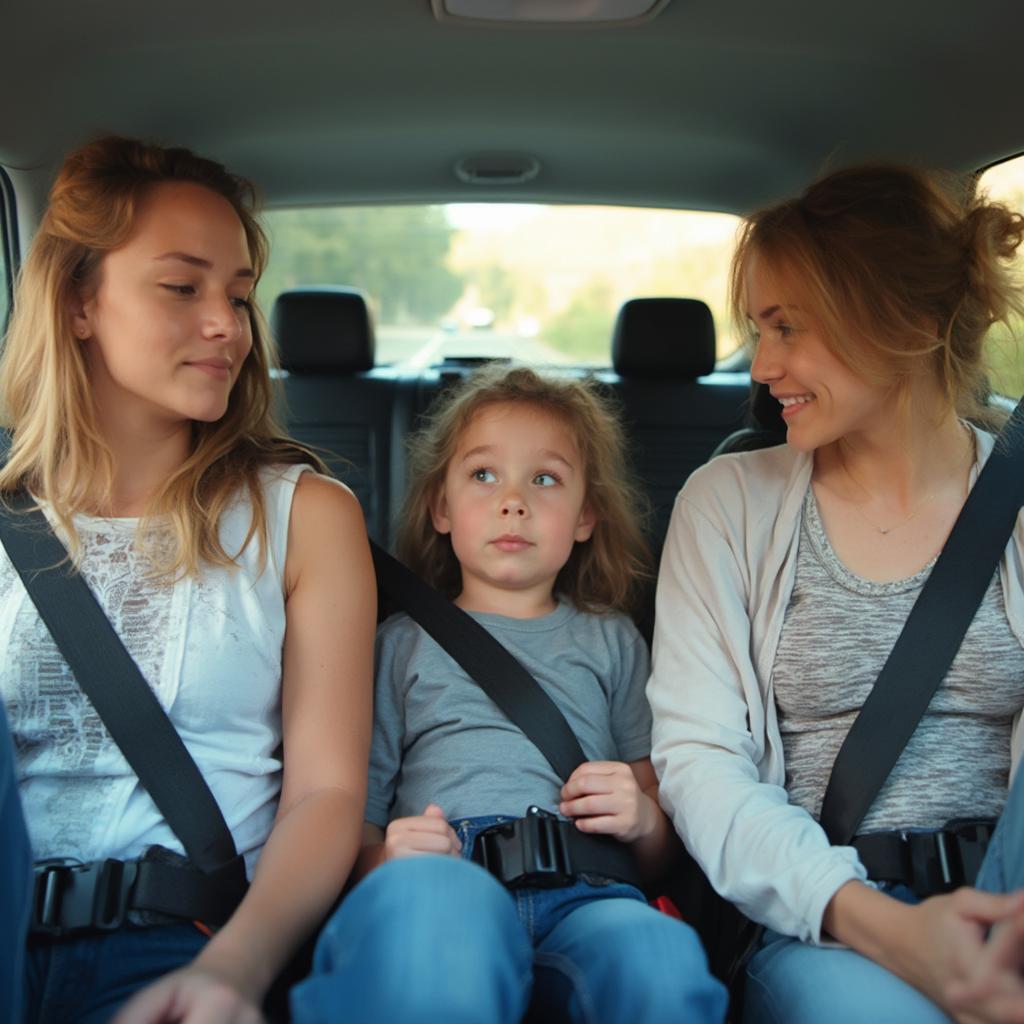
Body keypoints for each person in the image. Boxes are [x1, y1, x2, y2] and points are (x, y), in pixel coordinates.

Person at [0, 136, 375, 1023]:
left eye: (240, 295)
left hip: (183, 940)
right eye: (183, 287)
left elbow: (326, 792)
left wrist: (237, 969)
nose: (229, 325)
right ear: (79, 301)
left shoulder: (305, 516)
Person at [647, 163, 1024, 1023]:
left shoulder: (1017, 499)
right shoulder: (726, 504)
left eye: (787, 328)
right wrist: (892, 931)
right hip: (829, 923)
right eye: (758, 329)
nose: (762, 364)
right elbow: (702, 768)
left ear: (904, 321)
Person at [289, 365, 728, 1024]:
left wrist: (642, 819)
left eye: (544, 479)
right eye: (484, 475)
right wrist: (384, 860)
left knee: (660, 964)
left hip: (589, 889)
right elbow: (353, 815)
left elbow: (662, 826)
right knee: (437, 956)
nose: (513, 501)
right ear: (440, 507)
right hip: (445, 876)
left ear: (585, 517)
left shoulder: (613, 641)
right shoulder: (399, 643)